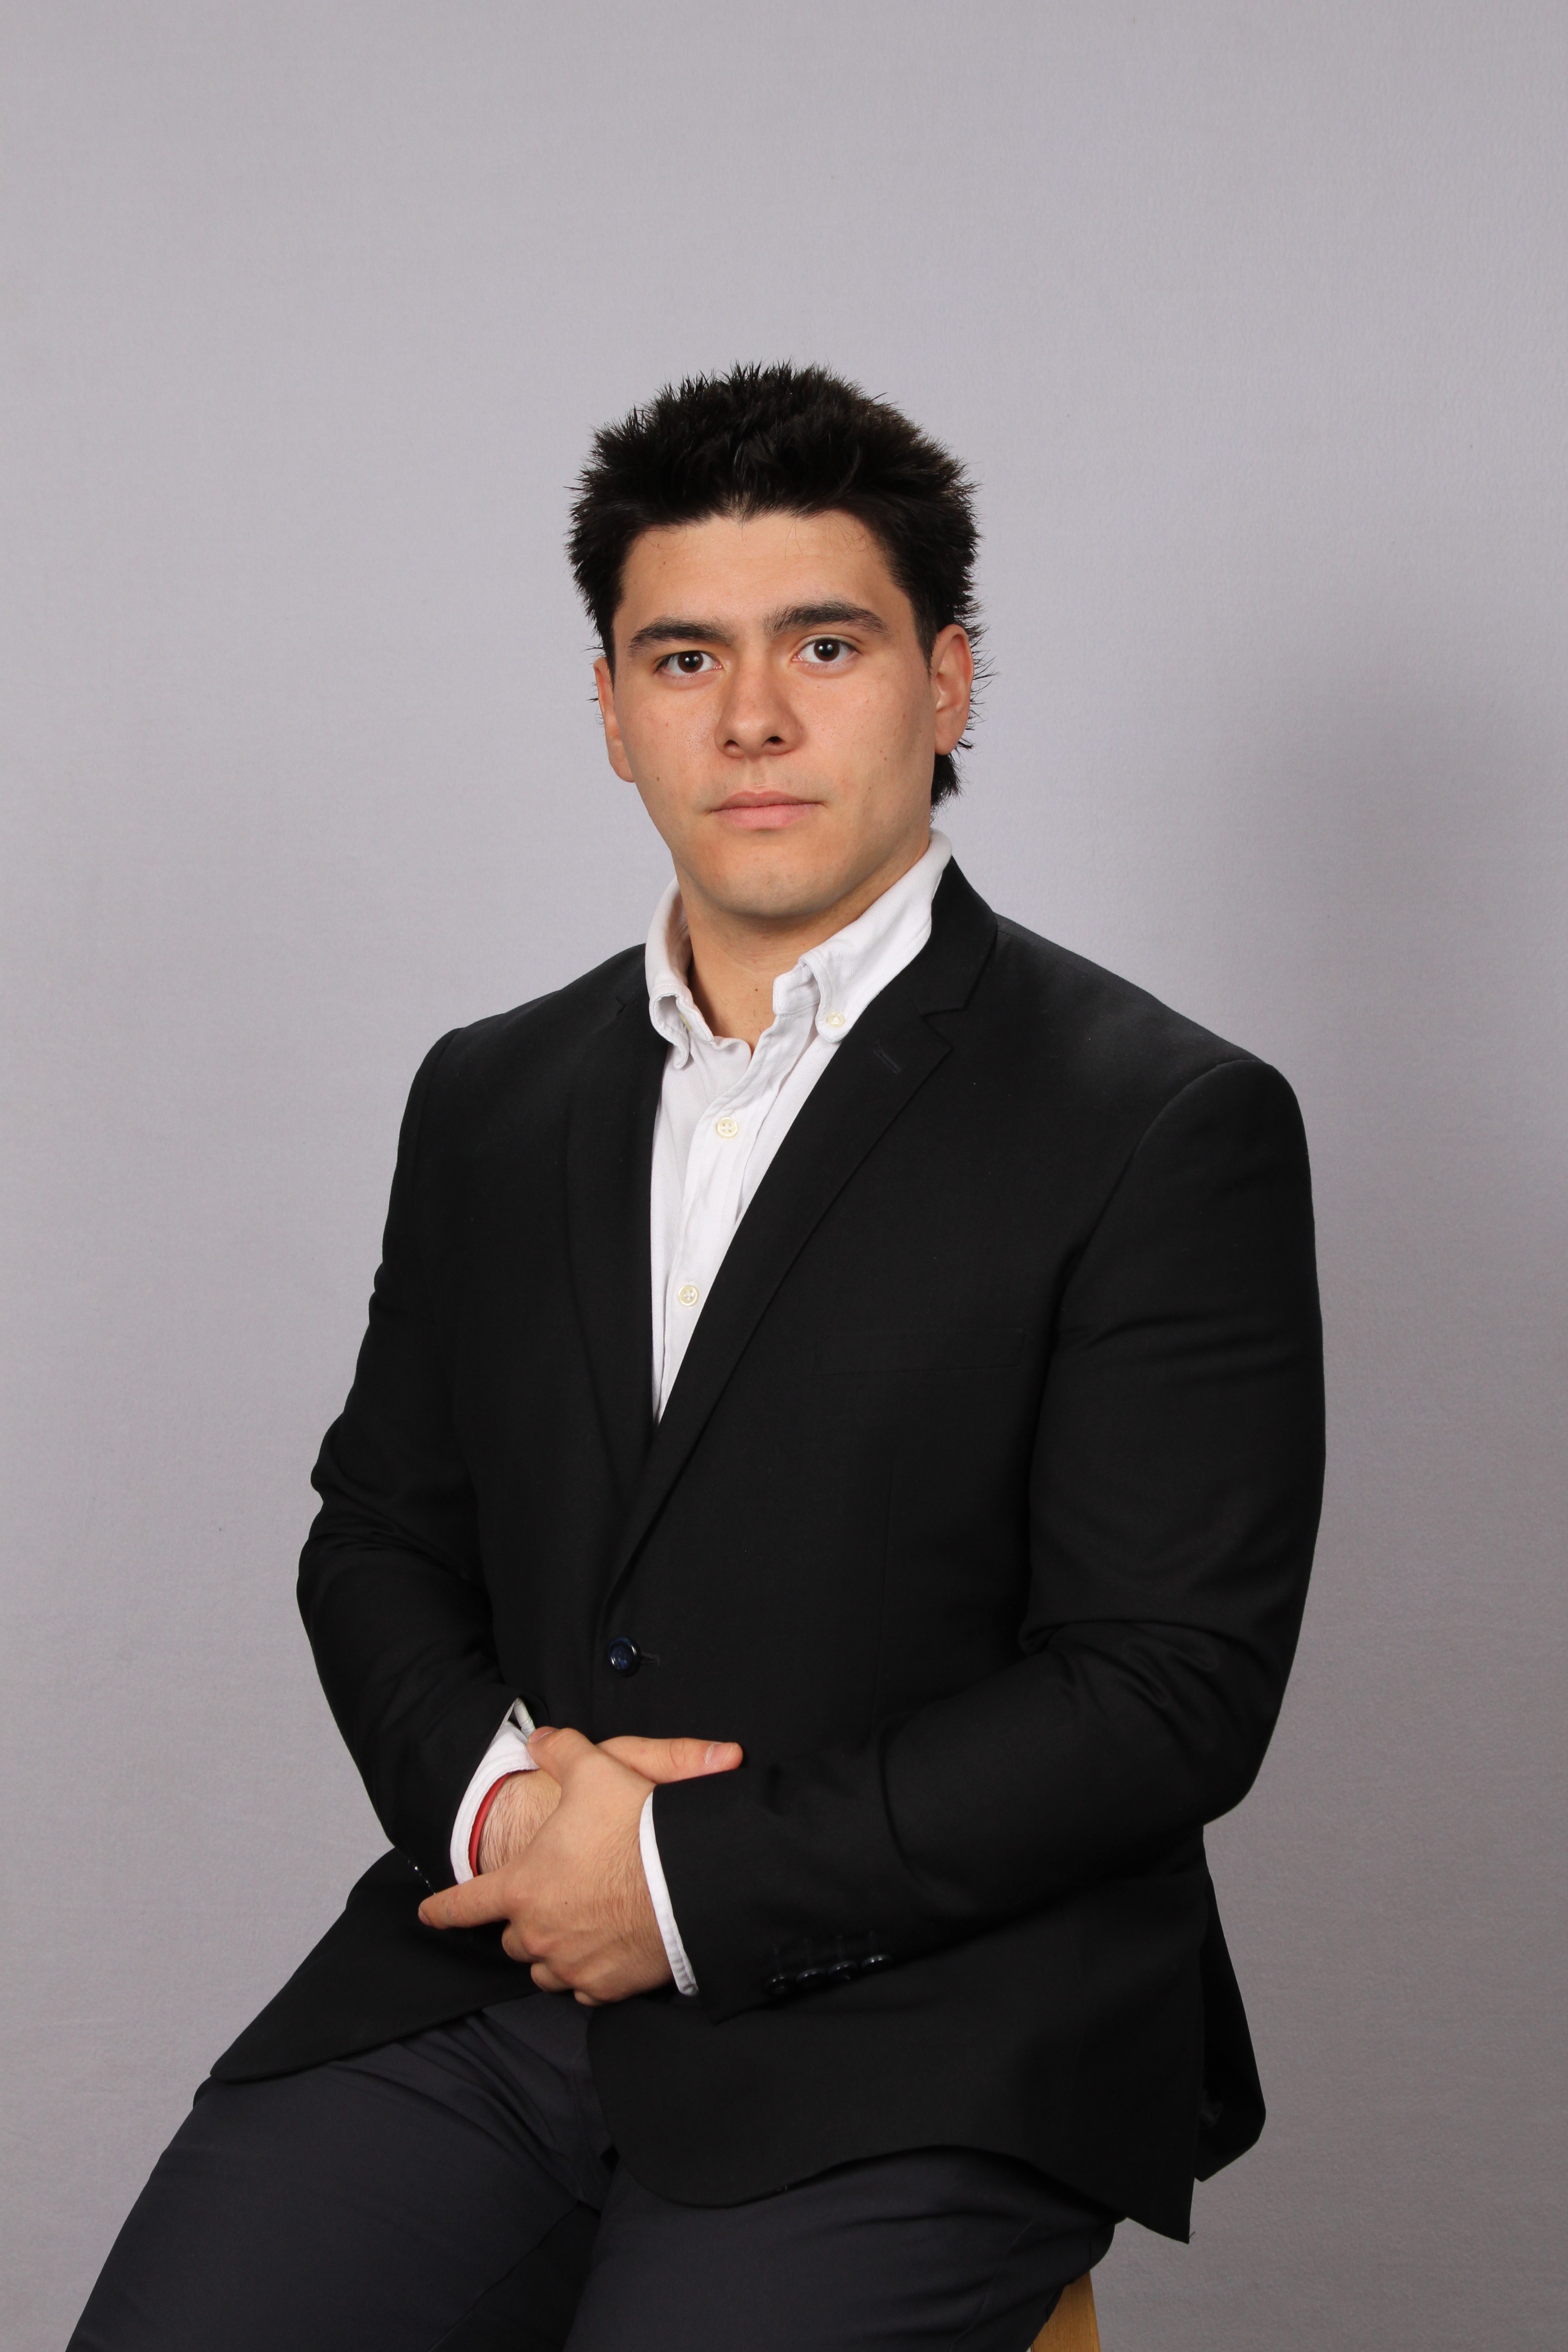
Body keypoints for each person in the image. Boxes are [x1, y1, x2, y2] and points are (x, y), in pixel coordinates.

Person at [70, 362, 1324, 2351]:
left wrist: (670, 1875)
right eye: (684, 658)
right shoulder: (489, 1098)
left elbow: (1166, 1691)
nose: (751, 717)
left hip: (932, 2026)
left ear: (948, 683)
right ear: (612, 710)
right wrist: (510, 1821)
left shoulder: (1162, 1121)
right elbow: (377, 1535)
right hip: (499, 1976)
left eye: (825, 644)